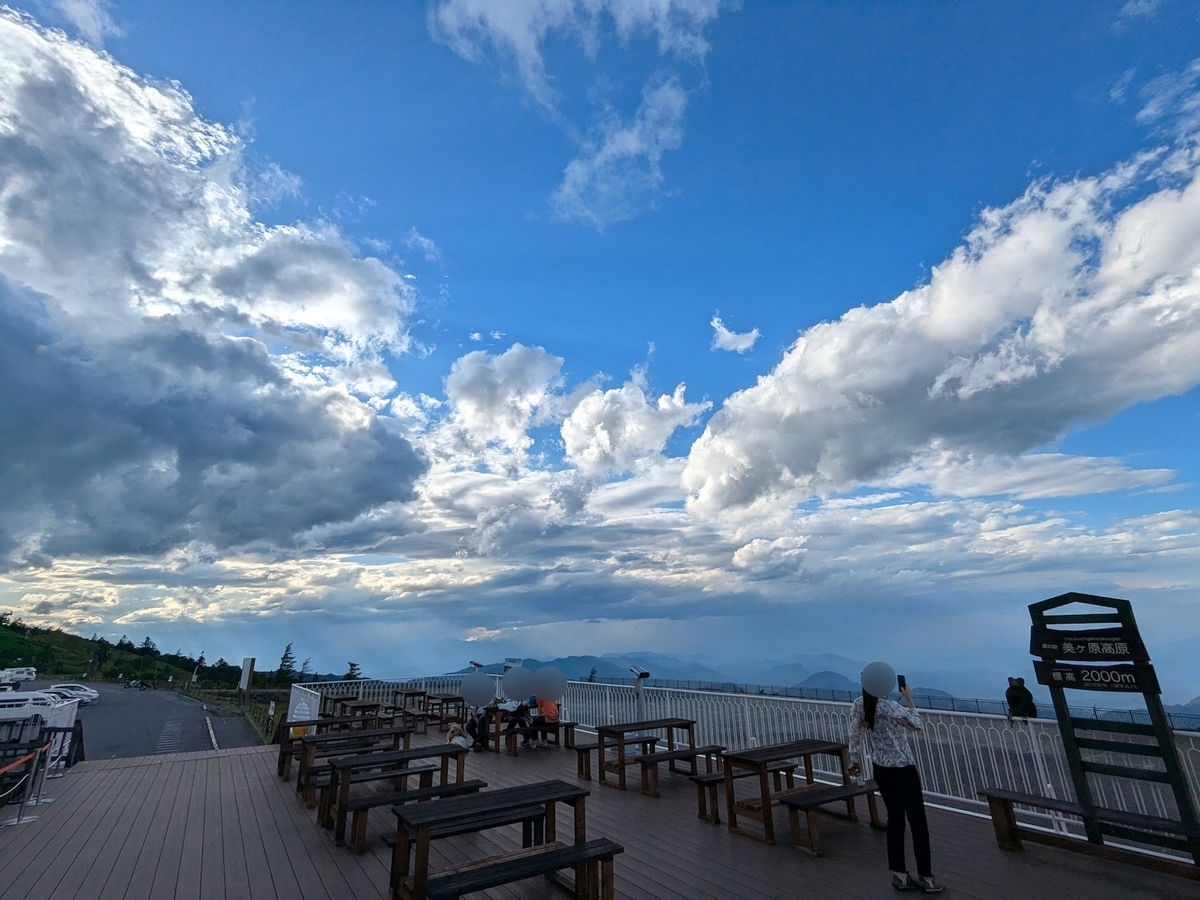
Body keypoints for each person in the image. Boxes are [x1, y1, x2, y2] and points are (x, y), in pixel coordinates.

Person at [848, 662, 942, 894]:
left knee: (895, 820)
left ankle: (900, 875)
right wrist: (909, 699)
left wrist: (854, 762)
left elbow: (854, 735)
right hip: (903, 769)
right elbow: (917, 726)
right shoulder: (891, 708)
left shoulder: (860, 705)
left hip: (881, 769)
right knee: (918, 822)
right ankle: (926, 878)